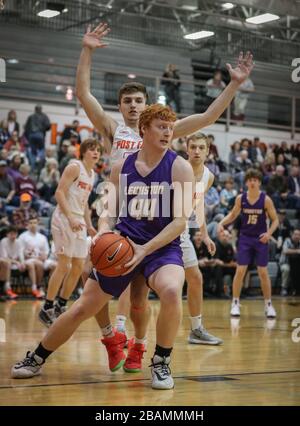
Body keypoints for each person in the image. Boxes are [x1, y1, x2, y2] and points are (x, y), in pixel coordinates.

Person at [75, 22, 254, 344]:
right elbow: (83, 94)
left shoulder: (162, 130)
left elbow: (207, 118)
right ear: (120, 106)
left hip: (158, 215)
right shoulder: (113, 130)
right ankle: (111, 335)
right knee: (90, 275)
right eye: (127, 100)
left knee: (172, 279)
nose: (133, 105)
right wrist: (87, 50)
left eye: (138, 100)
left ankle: (156, 336)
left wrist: (233, 85)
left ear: (147, 106)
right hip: (119, 212)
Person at [11, 104, 194, 391]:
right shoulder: (122, 167)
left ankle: (160, 361)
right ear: (143, 129)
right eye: (161, 126)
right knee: (81, 307)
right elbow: (107, 211)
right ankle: (36, 357)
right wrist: (106, 231)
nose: (167, 132)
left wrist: (145, 249)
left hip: (160, 248)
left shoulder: (180, 167)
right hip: (122, 245)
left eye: (170, 127)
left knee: (171, 291)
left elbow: (181, 221)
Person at [38, 138, 100, 327]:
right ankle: (47, 307)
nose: (96, 152)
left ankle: (60, 305)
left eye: (98, 150)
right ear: (83, 151)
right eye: (92, 149)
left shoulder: (93, 175)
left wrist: (89, 224)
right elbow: (59, 193)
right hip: (64, 218)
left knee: (79, 266)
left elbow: (85, 204)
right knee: (64, 264)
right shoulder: (74, 167)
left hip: (79, 220)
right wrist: (71, 218)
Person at [218, 169, 279, 318]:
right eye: (250, 180)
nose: (252, 182)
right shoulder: (241, 198)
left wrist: (269, 233)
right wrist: (221, 223)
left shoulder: (266, 200)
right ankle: (235, 302)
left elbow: (275, 220)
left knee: (263, 272)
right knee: (240, 271)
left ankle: (268, 305)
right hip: (245, 238)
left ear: (259, 182)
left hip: (260, 239)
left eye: (255, 180)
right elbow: (233, 215)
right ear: (246, 182)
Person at [180, 132, 223, 344]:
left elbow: (198, 205)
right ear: (186, 149)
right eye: (193, 147)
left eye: (201, 148)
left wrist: (205, 235)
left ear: (208, 151)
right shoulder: (176, 167)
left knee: (195, 278)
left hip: (180, 232)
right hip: (157, 228)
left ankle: (196, 330)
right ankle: (121, 326)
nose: (196, 151)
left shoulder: (209, 176)